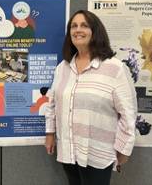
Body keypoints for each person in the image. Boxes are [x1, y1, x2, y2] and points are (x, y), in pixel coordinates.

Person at [45, 10, 137, 185]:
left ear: (95, 31)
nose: (77, 30)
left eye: (84, 25)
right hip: (68, 150)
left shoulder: (114, 68)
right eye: (74, 26)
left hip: (98, 152)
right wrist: (50, 133)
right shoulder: (63, 68)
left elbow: (128, 112)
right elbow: (52, 103)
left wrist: (124, 148)